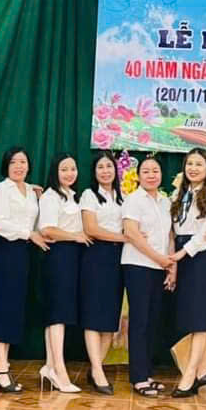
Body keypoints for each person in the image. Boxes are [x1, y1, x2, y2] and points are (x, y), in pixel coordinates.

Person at [0, 146, 48, 393]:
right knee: (2, 308)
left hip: (24, 254)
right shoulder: (1, 189)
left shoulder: (31, 191)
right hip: (5, 252)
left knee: (14, 310)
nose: (19, 166)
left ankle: (2, 367)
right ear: (6, 166)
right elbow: (0, 224)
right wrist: (28, 234)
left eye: (23, 161)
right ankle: (1, 369)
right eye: (13, 162)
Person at [166, 148, 206, 397]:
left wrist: (183, 253)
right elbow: (173, 228)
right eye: (190, 164)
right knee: (189, 315)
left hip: (201, 256)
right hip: (182, 253)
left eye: (199, 164)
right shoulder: (181, 193)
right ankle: (203, 372)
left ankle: (189, 377)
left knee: (200, 319)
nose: (193, 168)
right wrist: (174, 260)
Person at [121, 156, 175, 396]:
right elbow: (131, 233)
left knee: (153, 321)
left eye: (155, 171)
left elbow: (170, 235)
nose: (151, 175)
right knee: (140, 321)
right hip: (138, 265)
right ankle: (138, 377)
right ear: (138, 176)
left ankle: (147, 373)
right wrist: (158, 258)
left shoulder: (165, 201)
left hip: (160, 267)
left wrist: (171, 266)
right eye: (146, 171)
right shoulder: (133, 200)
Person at [38, 152, 89, 393]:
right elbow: (47, 230)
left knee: (60, 314)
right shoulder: (50, 196)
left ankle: (50, 366)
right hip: (58, 255)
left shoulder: (72, 196)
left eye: (73, 168)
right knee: (57, 314)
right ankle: (59, 370)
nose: (70, 173)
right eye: (64, 169)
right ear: (55, 172)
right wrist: (74, 236)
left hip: (73, 257)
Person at [79, 151, 127, 395]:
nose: (105, 171)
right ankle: (98, 371)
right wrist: (124, 237)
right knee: (93, 315)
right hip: (96, 257)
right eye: (100, 167)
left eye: (109, 166)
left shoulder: (122, 196)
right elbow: (91, 229)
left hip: (118, 259)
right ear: (94, 172)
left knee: (110, 318)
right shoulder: (89, 195)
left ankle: (96, 367)